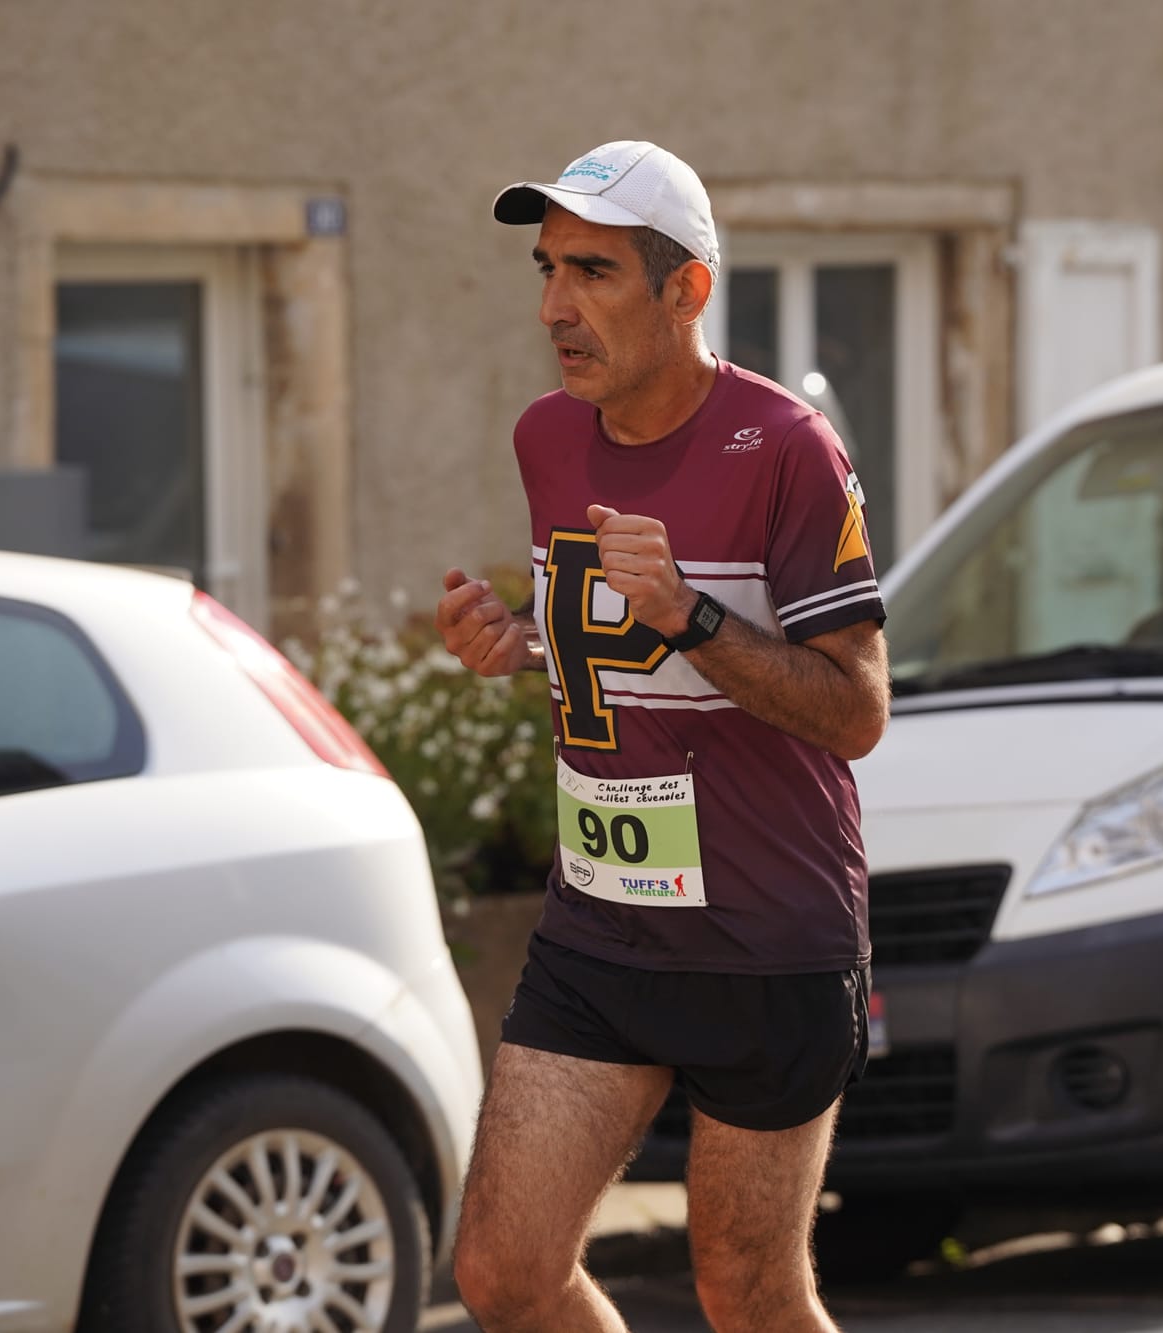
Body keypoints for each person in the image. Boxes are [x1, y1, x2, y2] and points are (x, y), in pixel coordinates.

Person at [439, 139, 890, 1333]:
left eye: (590, 272)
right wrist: (524, 647)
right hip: (599, 924)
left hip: (766, 938)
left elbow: (855, 710)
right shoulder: (546, 437)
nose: (553, 308)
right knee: (504, 1272)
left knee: (745, 1295)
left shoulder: (785, 447)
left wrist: (692, 614)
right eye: (544, 271)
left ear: (683, 289)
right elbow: (613, 645)